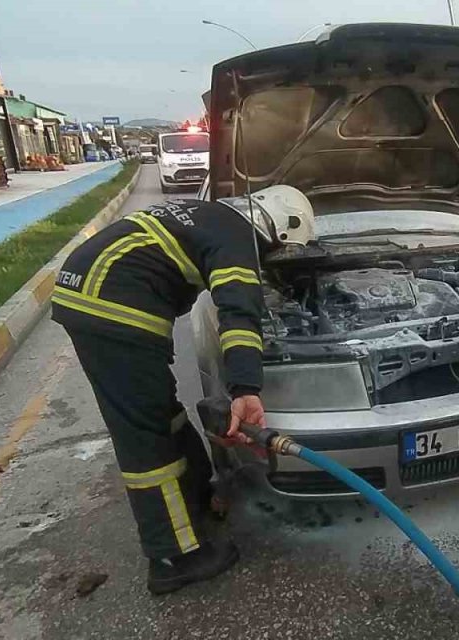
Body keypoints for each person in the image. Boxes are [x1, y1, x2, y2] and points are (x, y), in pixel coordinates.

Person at [51, 185, 315, 595]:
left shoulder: (213, 216)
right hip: (111, 306)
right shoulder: (237, 235)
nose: (266, 264)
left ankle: (195, 498)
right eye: (273, 254)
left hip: (93, 291)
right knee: (146, 437)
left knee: (164, 415)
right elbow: (239, 312)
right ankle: (173, 557)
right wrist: (245, 387)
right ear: (279, 227)